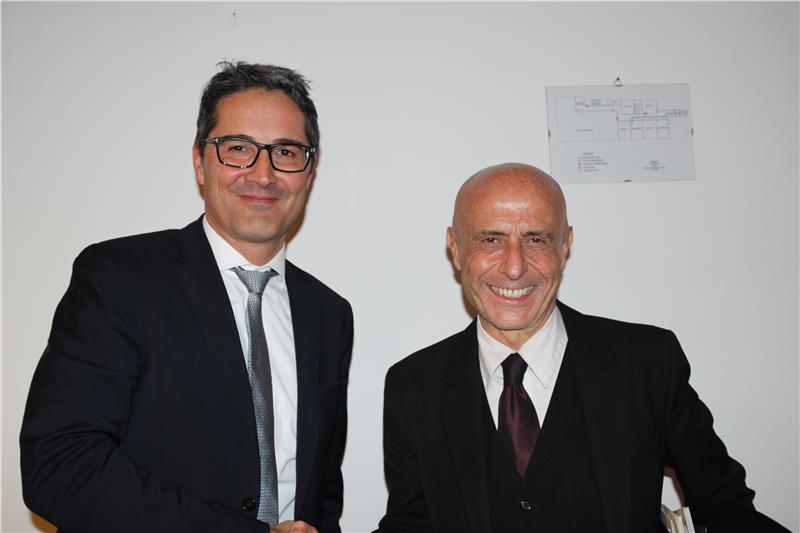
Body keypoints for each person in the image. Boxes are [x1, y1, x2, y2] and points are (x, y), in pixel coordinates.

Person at [20, 62, 353, 533]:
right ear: (200, 160)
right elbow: (60, 466)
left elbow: (321, 493)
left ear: (309, 170)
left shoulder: (329, 315)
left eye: (285, 151)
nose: (263, 174)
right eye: (238, 148)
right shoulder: (118, 278)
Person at [375, 163, 788, 533]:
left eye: (536, 239)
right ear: (455, 248)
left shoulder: (647, 364)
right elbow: (411, 525)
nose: (514, 267)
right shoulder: (413, 386)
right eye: (491, 240)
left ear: (564, 245)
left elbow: (725, 507)